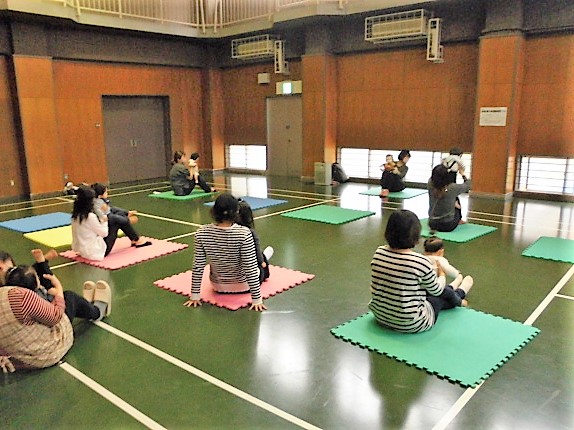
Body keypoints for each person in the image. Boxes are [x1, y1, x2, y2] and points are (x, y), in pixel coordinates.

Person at [369, 210, 473, 333]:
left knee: (425, 291)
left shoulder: (379, 252)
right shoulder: (420, 261)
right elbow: (437, 291)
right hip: (412, 323)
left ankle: (457, 293)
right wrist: (442, 275)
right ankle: (460, 294)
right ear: (415, 235)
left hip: (380, 315)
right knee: (439, 297)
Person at [0, 269, 111, 373]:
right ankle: (98, 311)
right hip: (43, 355)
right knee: (69, 297)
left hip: (17, 357)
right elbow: (56, 317)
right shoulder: (22, 297)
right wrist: (59, 289)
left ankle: (86, 305)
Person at [184, 193, 266, 312]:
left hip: (217, 286)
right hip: (243, 285)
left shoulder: (201, 233)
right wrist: (257, 300)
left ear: (214, 211)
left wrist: (195, 296)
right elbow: (250, 268)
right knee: (263, 264)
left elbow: (198, 266)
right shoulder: (244, 234)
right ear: (237, 212)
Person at [91, 183, 150, 253]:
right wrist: (128, 220)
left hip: (96, 242)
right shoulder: (98, 205)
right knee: (117, 221)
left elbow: (111, 209)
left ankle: (135, 239)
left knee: (119, 215)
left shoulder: (96, 202)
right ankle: (136, 239)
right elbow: (107, 217)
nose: (107, 193)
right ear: (100, 195)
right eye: (106, 192)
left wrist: (126, 213)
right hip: (101, 249)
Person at [236, 199, 274, 284]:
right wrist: (262, 262)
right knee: (260, 257)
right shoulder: (250, 233)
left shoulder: (225, 232)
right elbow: (257, 252)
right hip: (246, 283)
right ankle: (265, 256)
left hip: (220, 282)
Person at [427, 164, 471, 232]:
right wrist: (462, 173)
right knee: (456, 199)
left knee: (450, 199)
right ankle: (459, 220)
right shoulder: (452, 187)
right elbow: (468, 185)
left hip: (432, 223)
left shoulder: (430, 183)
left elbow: (437, 178)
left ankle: (454, 205)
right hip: (448, 225)